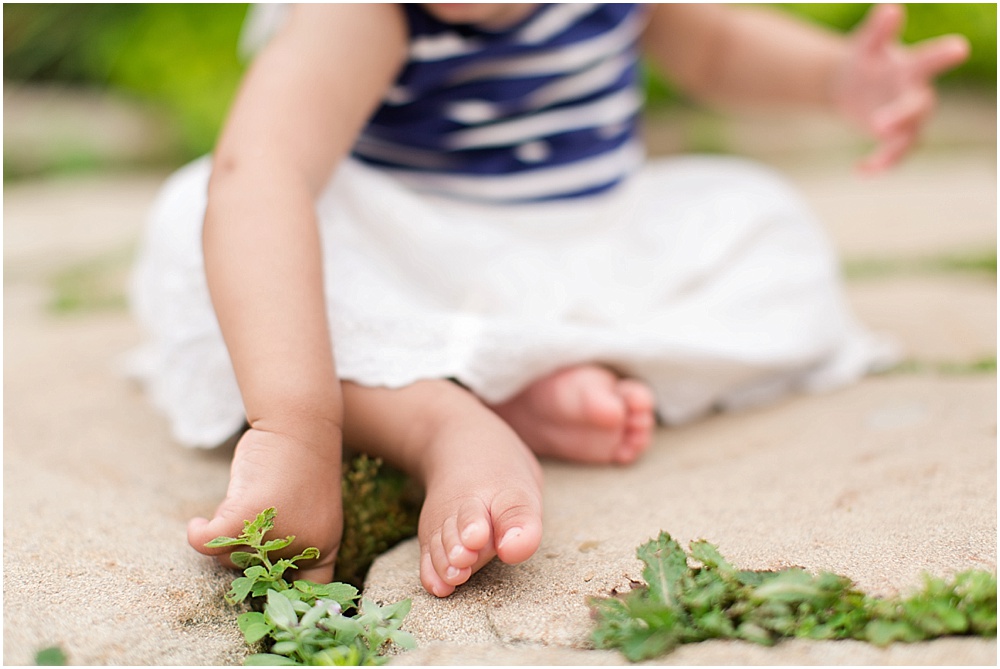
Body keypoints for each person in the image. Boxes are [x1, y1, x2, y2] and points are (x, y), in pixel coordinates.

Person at [128, 3, 969, 598]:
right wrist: (297, 429)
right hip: (405, 252)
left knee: (771, 230)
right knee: (209, 217)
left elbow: (713, 46)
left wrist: (834, 77)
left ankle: (531, 365)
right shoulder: (363, 13)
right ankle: (442, 418)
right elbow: (264, 172)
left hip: (583, 249)